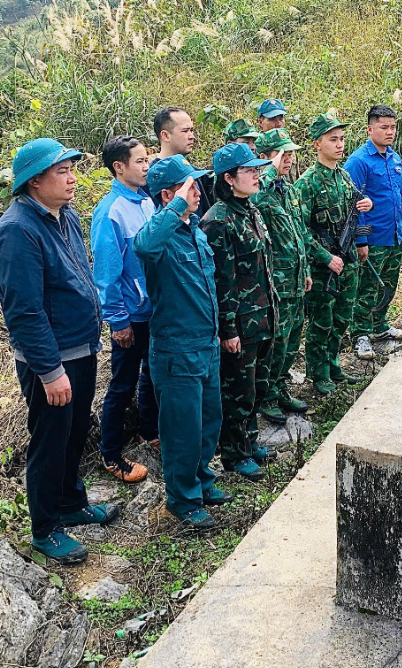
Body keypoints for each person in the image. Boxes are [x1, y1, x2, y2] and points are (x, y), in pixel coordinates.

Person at [0, 139, 118, 564]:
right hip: (52, 358)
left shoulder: (64, 216)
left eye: (71, 168)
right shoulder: (17, 230)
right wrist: (49, 370)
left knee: (74, 431)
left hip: (80, 347)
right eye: (62, 171)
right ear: (34, 180)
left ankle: (70, 501)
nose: (72, 177)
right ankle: (45, 528)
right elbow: (24, 311)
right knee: (49, 440)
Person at [134, 156, 228, 532]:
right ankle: (183, 499)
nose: (198, 193)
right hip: (177, 349)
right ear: (170, 194)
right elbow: (143, 246)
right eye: (191, 188)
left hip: (205, 343)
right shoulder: (159, 235)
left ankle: (202, 479)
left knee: (208, 421)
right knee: (182, 428)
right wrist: (174, 206)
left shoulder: (195, 231)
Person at [201, 143, 279, 480]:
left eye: (257, 170)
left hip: (263, 314)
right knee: (237, 390)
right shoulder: (217, 221)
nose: (257, 176)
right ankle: (234, 454)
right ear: (229, 178)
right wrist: (228, 329)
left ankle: (250, 442)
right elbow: (223, 281)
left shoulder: (251, 210)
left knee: (256, 385)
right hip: (241, 322)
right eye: (249, 171)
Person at [91, 136, 159, 484]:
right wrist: (118, 321)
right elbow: (106, 274)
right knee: (122, 383)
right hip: (129, 315)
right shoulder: (111, 211)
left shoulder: (145, 201)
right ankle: (111, 454)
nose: (147, 167)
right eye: (140, 161)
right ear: (119, 167)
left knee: (151, 372)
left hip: (151, 308)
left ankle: (150, 429)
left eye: (148, 160)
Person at [295, 113, 373, 394]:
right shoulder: (307, 184)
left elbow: (355, 211)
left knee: (342, 317)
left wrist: (367, 205)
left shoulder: (343, 176)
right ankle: (319, 374)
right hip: (323, 266)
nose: (340, 145)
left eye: (341, 139)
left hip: (348, 260)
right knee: (321, 322)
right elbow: (299, 230)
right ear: (317, 144)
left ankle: (334, 366)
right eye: (333, 139)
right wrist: (325, 257)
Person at [252, 129, 311, 421]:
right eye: (281, 154)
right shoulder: (260, 189)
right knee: (275, 343)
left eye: (289, 154)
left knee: (290, 343)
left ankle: (280, 388)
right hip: (278, 285)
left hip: (297, 279)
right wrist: (268, 169)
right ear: (264, 158)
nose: (287, 159)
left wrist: (307, 270)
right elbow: (255, 197)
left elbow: (299, 233)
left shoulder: (287, 189)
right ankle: (266, 396)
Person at [346, 105, 402, 360]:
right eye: (384, 127)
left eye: (393, 127)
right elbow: (353, 204)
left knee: (388, 284)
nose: (390, 132)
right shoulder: (359, 161)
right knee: (367, 287)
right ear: (370, 129)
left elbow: (400, 198)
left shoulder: (394, 159)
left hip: (393, 235)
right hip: (372, 238)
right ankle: (360, 334)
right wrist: (361, 240)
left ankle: (379, 326)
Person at [152, 107, 213, 216]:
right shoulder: (152, 177)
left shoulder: (194, 173)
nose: (192, 136)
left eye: (192, 130)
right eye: (185, 131)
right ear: (165, 135)